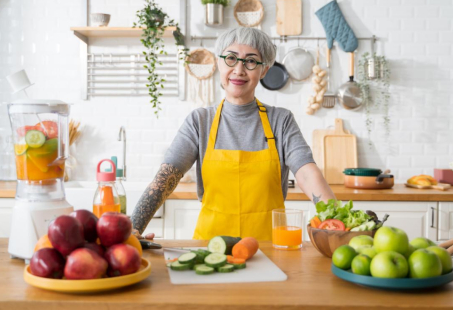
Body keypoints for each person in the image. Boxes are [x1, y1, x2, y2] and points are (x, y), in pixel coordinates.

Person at [131, 27, 336, 241]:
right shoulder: (200, 121)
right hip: (210, 250)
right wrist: (134, 227)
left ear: (264, 70)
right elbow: (166, 178)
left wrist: (339, 219)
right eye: (231, 58)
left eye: (250, 61)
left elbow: (306, 173)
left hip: (268, 250)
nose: (239, 70)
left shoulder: (281, 121)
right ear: (219, 63)